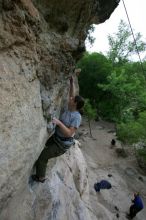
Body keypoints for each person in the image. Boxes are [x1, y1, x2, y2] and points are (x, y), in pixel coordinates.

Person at [32, 75, 84, 183]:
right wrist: (71, 82)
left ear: (75, 104)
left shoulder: (76, 117)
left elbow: (70, 133)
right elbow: (72, 94)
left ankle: (40, 178)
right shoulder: (71, 107)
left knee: (42, 157)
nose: (70, 98)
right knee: (42, 146)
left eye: (72, 99)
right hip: (56, 137)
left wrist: (59, 123)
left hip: (61, 144)